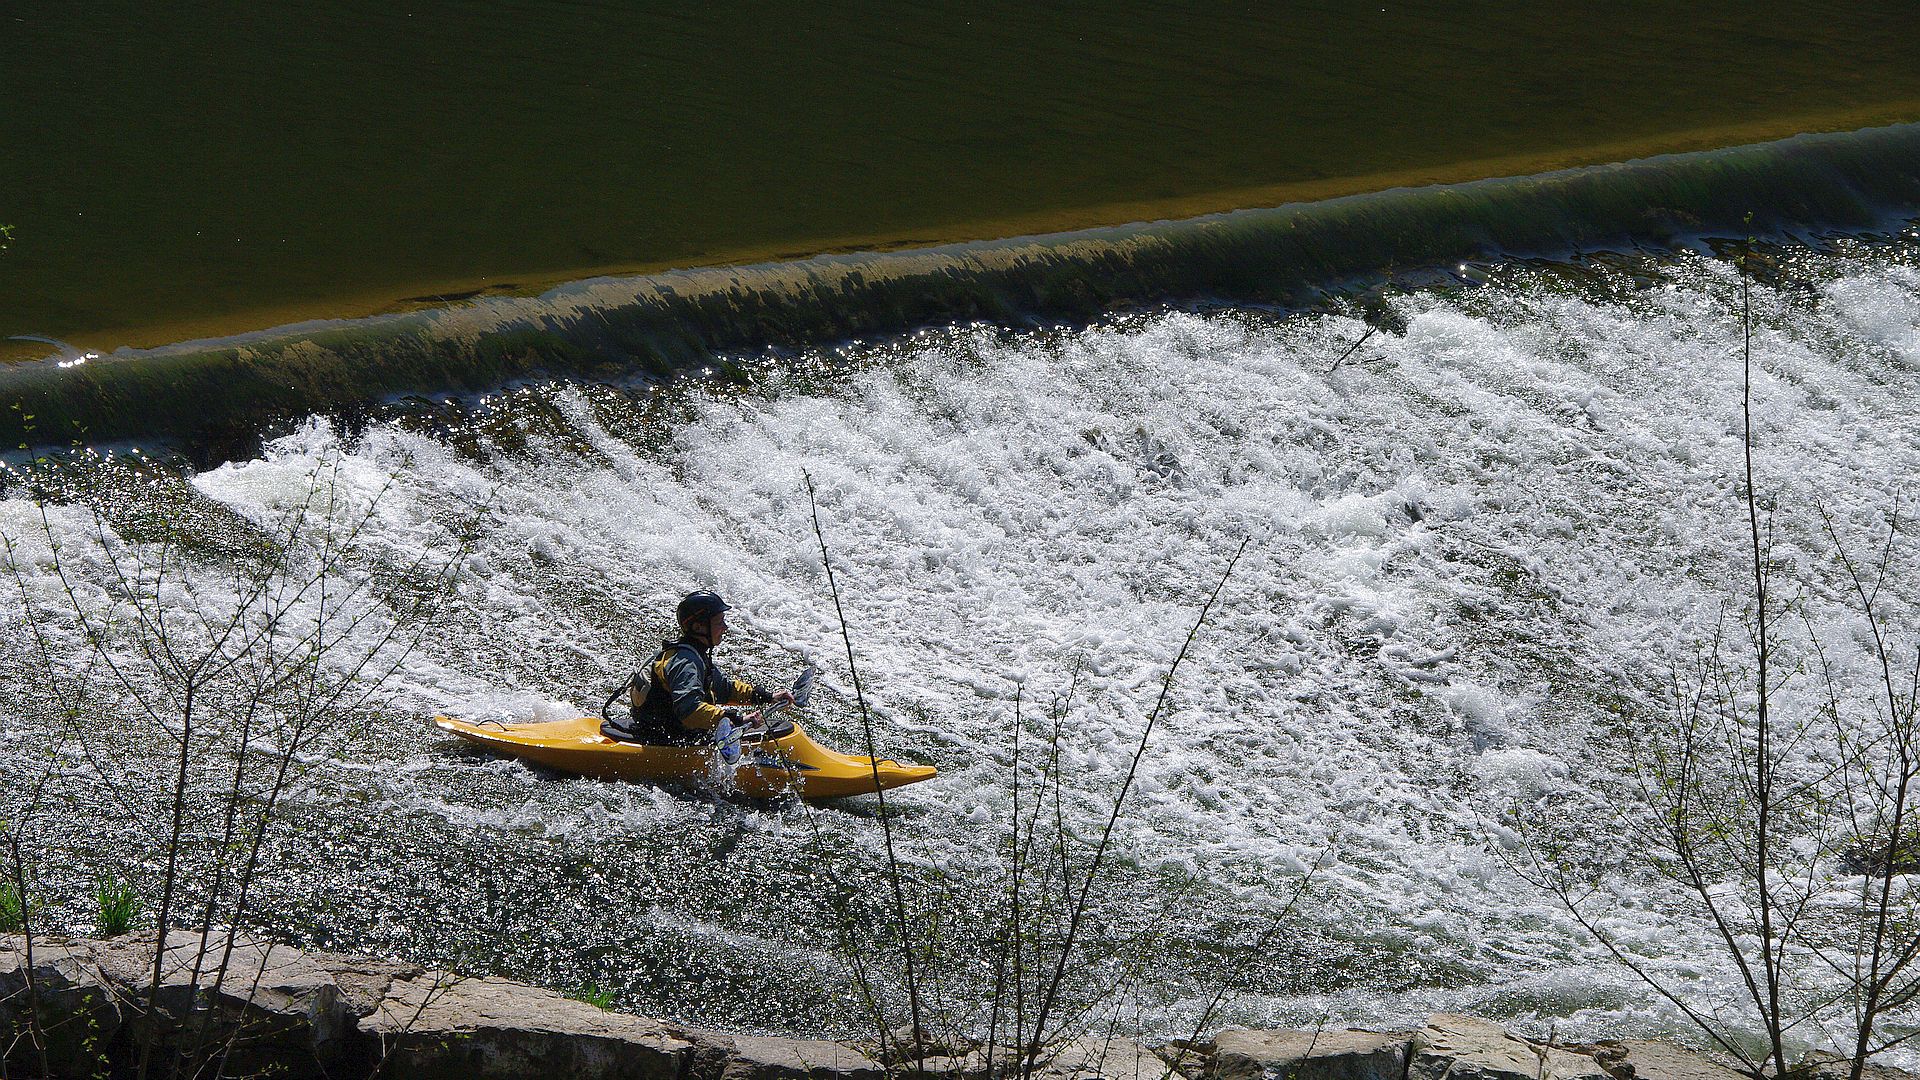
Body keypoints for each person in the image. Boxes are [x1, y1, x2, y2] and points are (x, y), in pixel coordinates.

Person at [601, 590, 796, 744]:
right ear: (699, 627)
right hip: (666, 738)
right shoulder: (686, 662)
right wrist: (736, 719)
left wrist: (768, 697)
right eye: (720, 622)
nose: (725, 628)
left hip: (662, 730)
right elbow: (690, 711)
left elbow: (725, 689)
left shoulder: (693, 653)